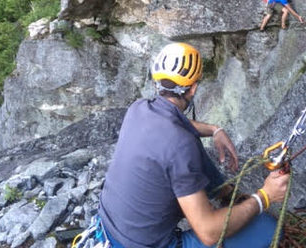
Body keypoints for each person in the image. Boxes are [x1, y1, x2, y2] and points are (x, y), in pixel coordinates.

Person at [98, 42, 289, 248]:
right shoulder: (180, 145)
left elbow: (179, 125)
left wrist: (214, 129)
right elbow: (208, 233)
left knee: (189, 143)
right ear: (193, 89)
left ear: (157, 83)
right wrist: (264, 197)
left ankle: (224, 194)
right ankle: (228, 198)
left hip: (108, 228)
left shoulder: (138, 109)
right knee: (268, 229)